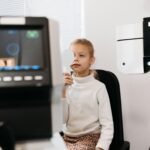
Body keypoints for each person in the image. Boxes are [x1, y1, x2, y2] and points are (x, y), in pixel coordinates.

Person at [62, 38, 114, 150]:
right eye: (72, 55)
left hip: (90, 138)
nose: (75, 59)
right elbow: (62, 120)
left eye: (81, 55)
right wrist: (62, 92)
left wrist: (101, 147)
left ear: (91, 60)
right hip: (67, 138)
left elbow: (107, 124)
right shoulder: (65, 85)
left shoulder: (99, 88)